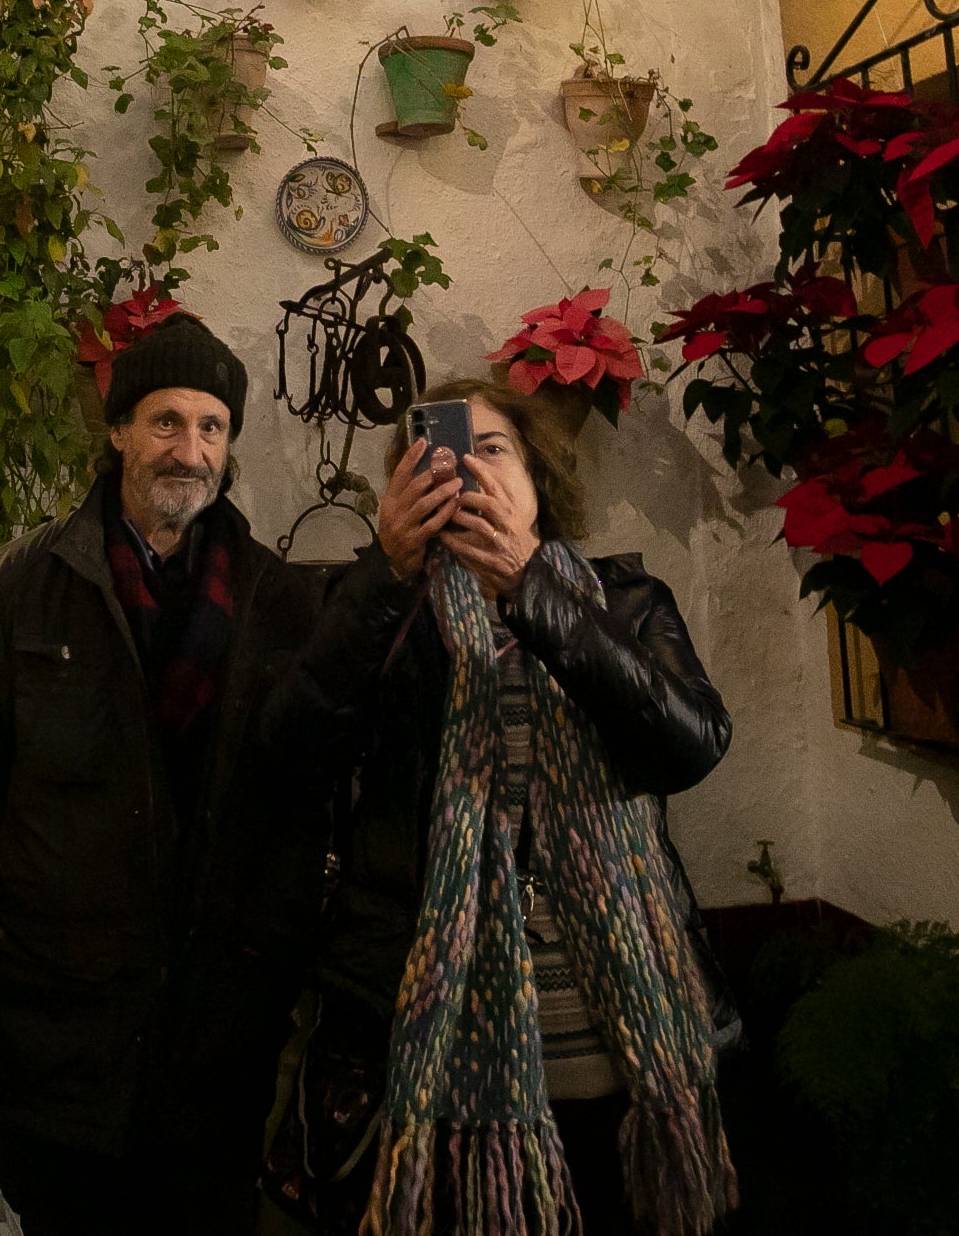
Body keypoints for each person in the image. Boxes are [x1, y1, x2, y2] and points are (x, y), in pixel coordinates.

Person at [259, 377, 737, 1236]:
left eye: (494, 449)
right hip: (434, 1059)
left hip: (617, 1054)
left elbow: (689, 745)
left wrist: (531, 591)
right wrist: (384, 576)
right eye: (440, 454)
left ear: (536, 479)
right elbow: (291, 757)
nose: (470, 469)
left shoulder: (625, 601)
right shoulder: (375, 612)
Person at [0, 314, 325, 1236]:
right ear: (120, 431)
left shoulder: (276, 601)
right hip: (45, 1056)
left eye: (212, 428)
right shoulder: (17, 588)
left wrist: (264, 991)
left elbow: (296, 814)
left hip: (212, 1061)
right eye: (166, 422)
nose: (190, 450)